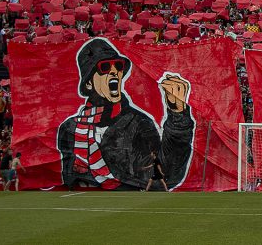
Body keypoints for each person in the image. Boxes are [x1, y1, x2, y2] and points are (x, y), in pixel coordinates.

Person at [57, 38, 195, 190]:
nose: (114, 71)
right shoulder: (69, 128)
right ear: (89, 83)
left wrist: (178, 115)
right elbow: (68, 175)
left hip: (125, 199)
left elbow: (167, 172)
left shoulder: (138, 123)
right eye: (104, 67)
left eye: (118, 65)